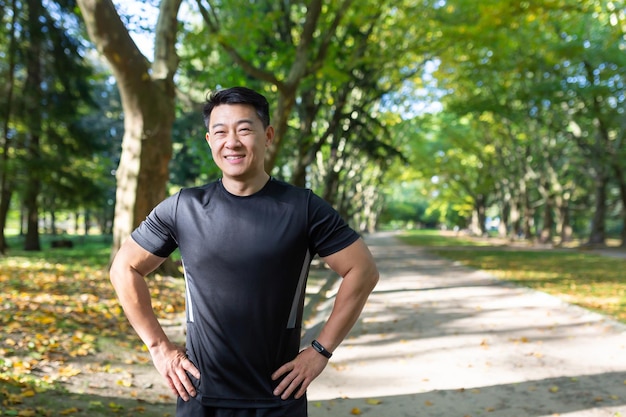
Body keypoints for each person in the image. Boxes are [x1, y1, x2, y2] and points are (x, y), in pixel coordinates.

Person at [109, 86, 379, 417]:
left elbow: (362, 271)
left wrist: (320, 351)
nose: (232, 142)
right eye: (220, 132)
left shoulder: (302, 208)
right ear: (210, 141)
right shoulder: (183, 207)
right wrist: (159, 347)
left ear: (267, 136)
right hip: (200, 395)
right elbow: (124, 268)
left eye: (244, 129)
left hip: (278, 397)